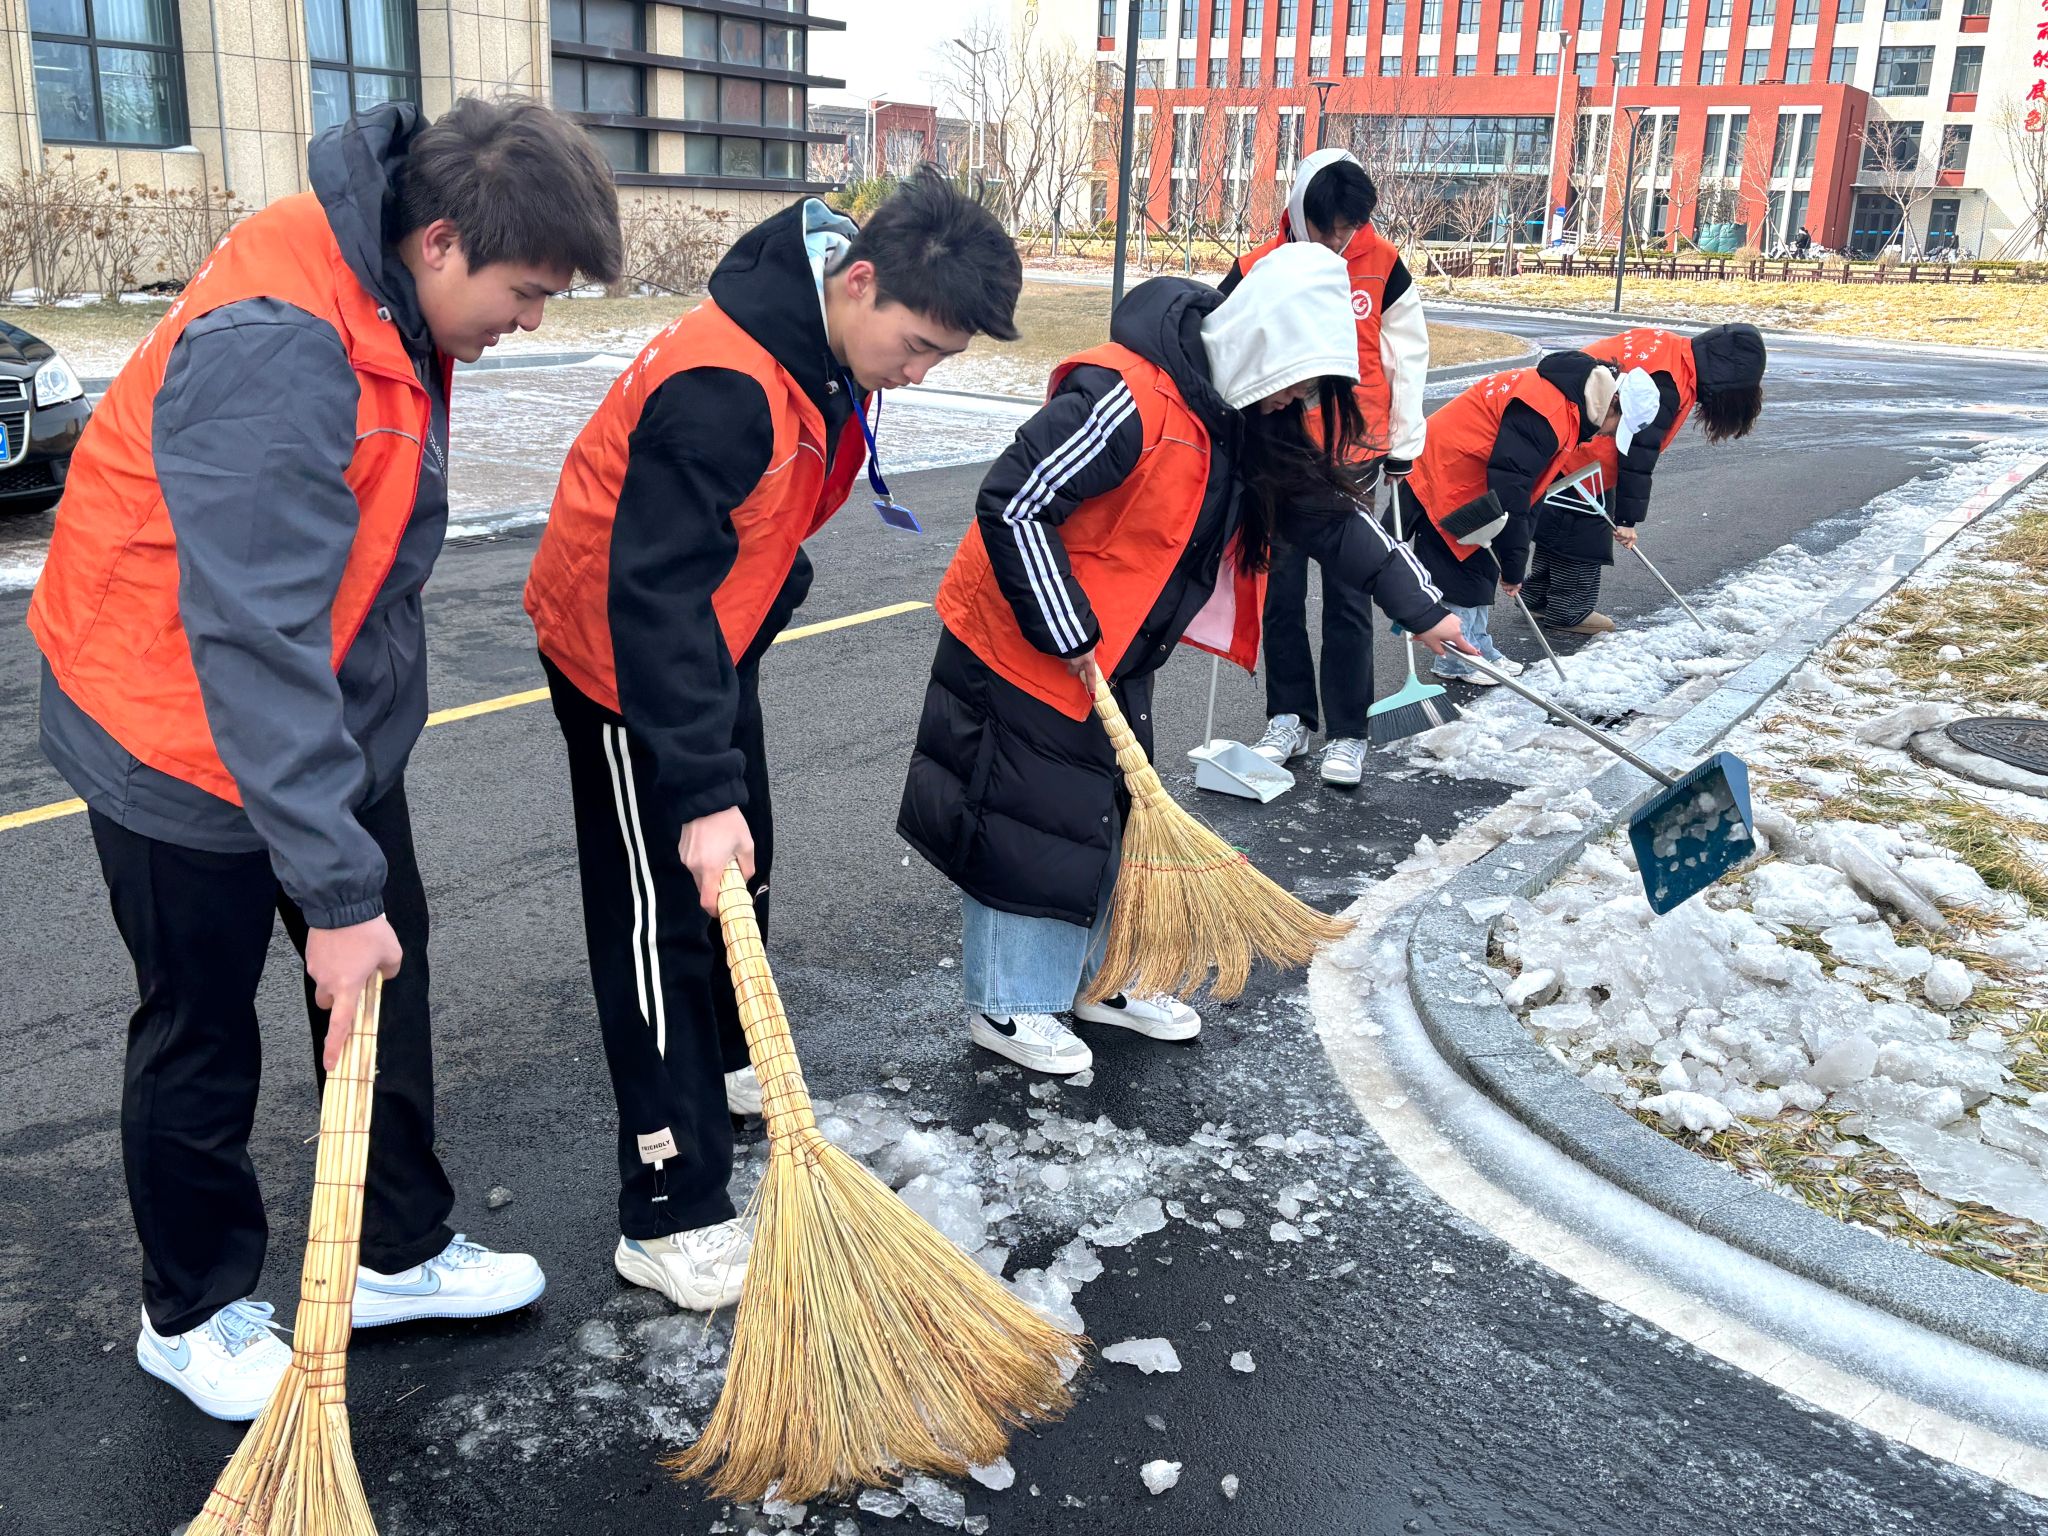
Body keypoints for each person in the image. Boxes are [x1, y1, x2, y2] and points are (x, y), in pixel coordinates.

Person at [27, 98, 622, 1420]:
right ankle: (189, 1310)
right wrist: (333, 895)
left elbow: (351, 562)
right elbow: (251, 635)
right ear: (442, 240)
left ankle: (388, 1249)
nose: (532, 322)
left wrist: (355, 868)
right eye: (526, 292)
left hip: (313, 710)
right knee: (201, 1023)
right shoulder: (276, 346)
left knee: (380, 967)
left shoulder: (391, 288)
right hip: (169, 721)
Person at [524, 168, 1021, 1312]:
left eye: (940, 359)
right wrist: (696, 790)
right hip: (622, 660)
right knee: (659, 916)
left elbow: (746, 522)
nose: (917, 373)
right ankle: (669, 1208)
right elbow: (649, 599)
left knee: (742, 861)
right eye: (915, 346)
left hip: (712, 631)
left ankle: (724, 1063)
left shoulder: (816, 342)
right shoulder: (723, 385)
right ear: (857, 281)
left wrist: (765, 602)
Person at [897, 244, 1468, 1078]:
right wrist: (1065, 625)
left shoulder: (1248, 417)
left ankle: (1102, 978)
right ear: (1262, 343)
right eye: (1297, 383)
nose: (1297, 402)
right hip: (1027, 634)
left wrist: (1423, 611)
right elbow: (1014, 502)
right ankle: (1010, 1003)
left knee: (1109, 813)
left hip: (1114, 649)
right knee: (1030, 822)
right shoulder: (1126, 396)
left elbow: (1330, 518)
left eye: (1310, 391)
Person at [1220, 148, 1430, 788]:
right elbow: (1225, 348)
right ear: (1298, 210)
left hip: (1354, 455)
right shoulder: (1256, 266)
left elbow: (1408, 355)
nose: (1339, 241)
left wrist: (1405, 441)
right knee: (1280, 594)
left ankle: (1348, 732)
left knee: (1349, 594)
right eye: (1328, 227)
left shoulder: (1384, 264)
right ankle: (1289, 716)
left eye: (1349, 228)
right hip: (1281, 458)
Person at [1524, 323, 1767, 635]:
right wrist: (1627, 520)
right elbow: (1638, 452)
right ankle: (1568, 610)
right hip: (1583, 451)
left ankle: (1538, 596)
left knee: (1559, 523)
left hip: (1559, 433)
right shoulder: (1668, 383)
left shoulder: (1668, 347)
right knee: (1583, 533)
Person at [1402, 352, 1627, 683]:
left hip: (1474, 476)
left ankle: (1479, 647)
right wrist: (1513, 566)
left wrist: (1512, 562)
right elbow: (1513, 491)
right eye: (1613, 429)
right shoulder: (1547, 411)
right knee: (1461, 572)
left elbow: (1533, 491)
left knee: (1482, 565)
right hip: (1446, 474)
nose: (1603, 437)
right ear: (1611, 407)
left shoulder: (1569, 403)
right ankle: (1457, 661)